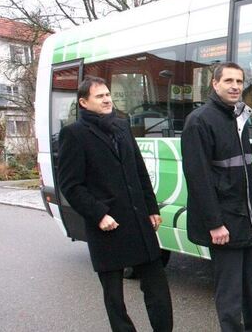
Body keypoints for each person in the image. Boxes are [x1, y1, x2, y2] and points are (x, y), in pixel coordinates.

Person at [58, 75, 173, 332]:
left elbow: (139, 171)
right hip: (108, 226)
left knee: (157, 287)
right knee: (114, 297)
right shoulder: (74, 134)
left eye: (108, 94)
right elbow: (70, 185)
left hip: (138, 221)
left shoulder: (122, 126)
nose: (107, 99)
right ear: (84, 103)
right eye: (100, 96)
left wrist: (151, 208)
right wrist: (99, 214)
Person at [181, 62, 252, 332]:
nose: (235, 86)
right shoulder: (200, 121)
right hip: (225, 221)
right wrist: (214, 223)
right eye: (228, 80)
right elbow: (199, 179)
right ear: (214, 84)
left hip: (246, 217)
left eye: (240, 81)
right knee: (230, 296)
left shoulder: (238, 116)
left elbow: (246, 167)